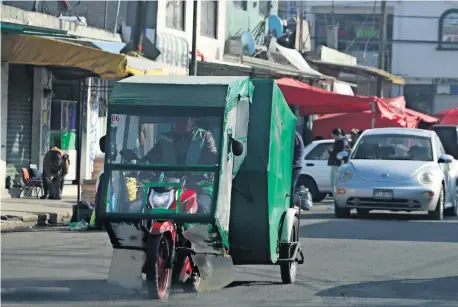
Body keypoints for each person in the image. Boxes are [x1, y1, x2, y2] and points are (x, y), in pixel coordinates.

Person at [140, 117, 218, 214]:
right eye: (177, 120)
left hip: (199, 186)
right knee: (144, 207)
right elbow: (152, 157)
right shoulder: (165, 138)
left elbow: (212, 159)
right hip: (169, 186)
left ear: (193, 121)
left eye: (184, 120)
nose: (179, 123)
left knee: (204, 209)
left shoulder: (205, 136)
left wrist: (199, 176)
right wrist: (140, 166)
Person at [327, 128, 348, 197]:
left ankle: (337, 199)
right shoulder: (341, 142)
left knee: (335, 183)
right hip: (336, 163)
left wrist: (331, 152)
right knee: (334, 183)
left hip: (337, 164)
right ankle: (336, 199)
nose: (333, 138)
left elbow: (339, 153)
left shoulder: (341, 142)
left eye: (334, 136)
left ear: (338, 135)